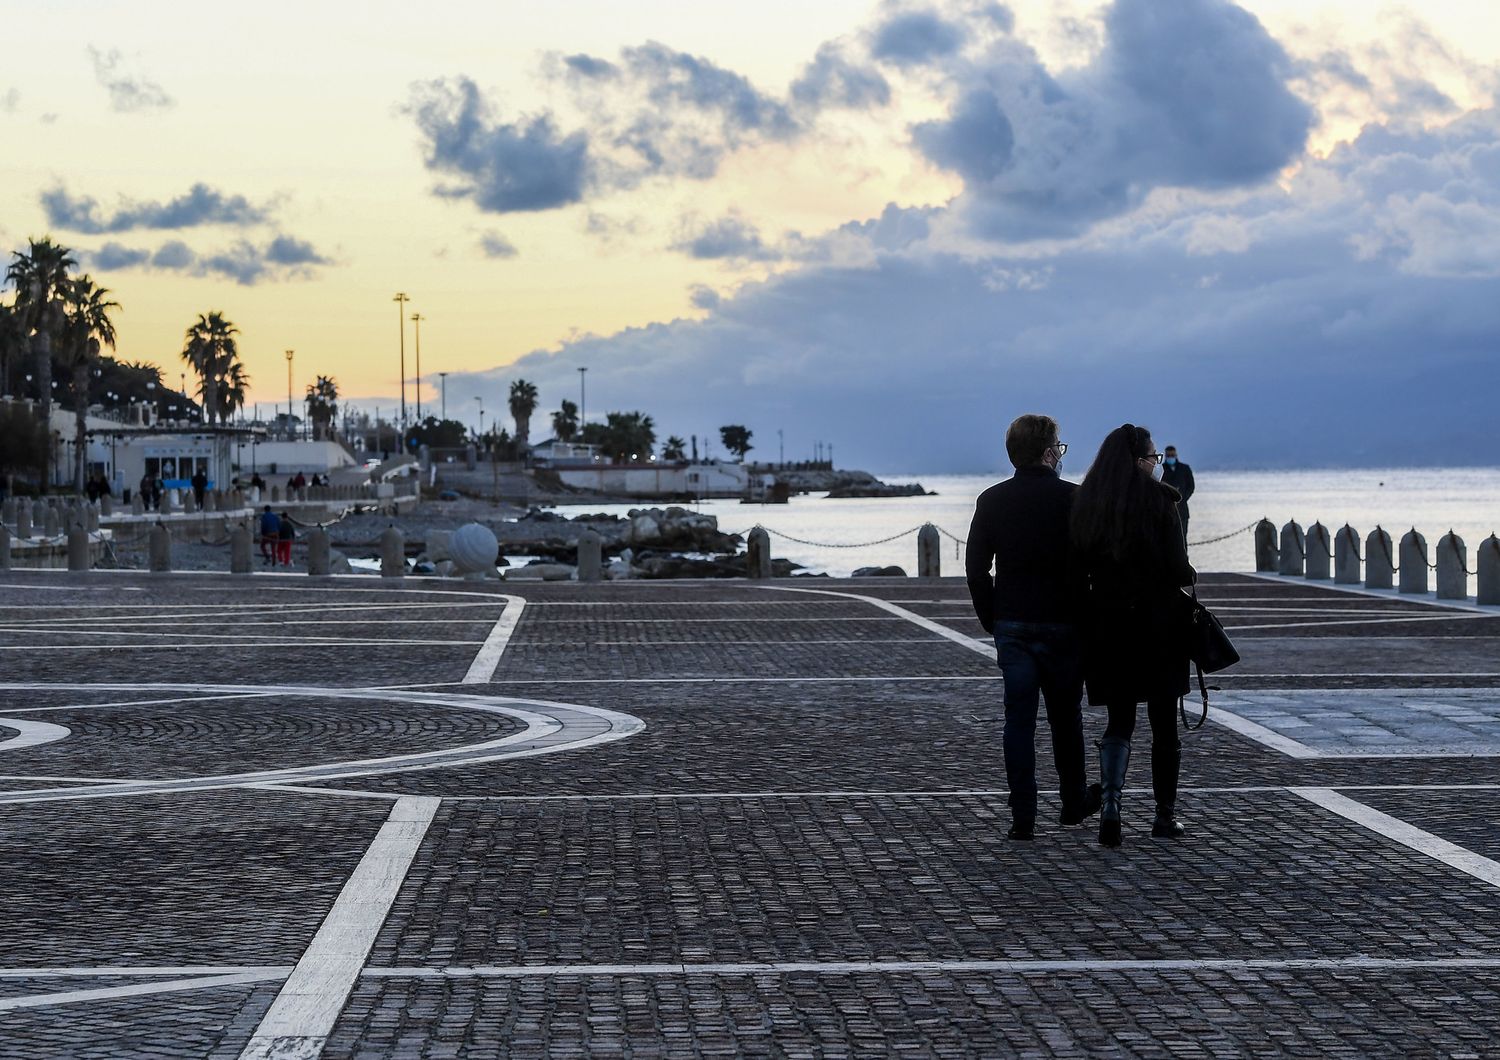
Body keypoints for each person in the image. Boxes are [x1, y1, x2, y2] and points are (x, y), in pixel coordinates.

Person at [966, 414, 1099, 840]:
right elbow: (1096, 564)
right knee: (1066, 719)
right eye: (1059, 447)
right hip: (1064, 624)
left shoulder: (991, 500)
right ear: (1047, 452)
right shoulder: (1076, 499)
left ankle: (1022, 814)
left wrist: (992, 616)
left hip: (1013, 624)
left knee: (1018, 722)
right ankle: (1073, 802)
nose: (1060, 455)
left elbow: (975, 568)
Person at [1071, 424, 1196, 848]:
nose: (1157, 465)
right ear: (1138, 461)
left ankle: (1110, 806)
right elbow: (1179, 569)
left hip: (1108, 627)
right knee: (1164, 724)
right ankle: (1164, 816)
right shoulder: (1161, 502)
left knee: (1119, 721)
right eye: (1153, 458)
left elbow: (1079, 566)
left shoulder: (1088, 502)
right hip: (1159, 626)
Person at [1160, 446, 1194, 545]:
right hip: (1165, 510)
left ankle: (1184, 559)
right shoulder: (1161, 469)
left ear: (1176, 455)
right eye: (1168, 455)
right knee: (1167, 539)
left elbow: (1191, 486)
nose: (1171, 457)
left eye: (1172, 455)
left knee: (1183, 538)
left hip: (1182, 510)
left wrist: (1182, 498)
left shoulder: (1185, 468)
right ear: (1166, 456)